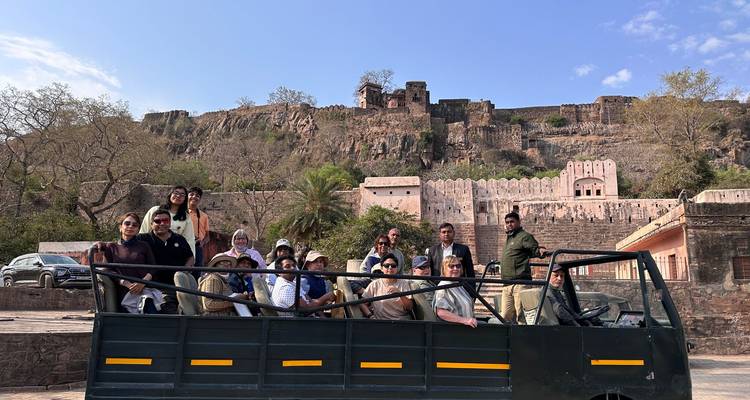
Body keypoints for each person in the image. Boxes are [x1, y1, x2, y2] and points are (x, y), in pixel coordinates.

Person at [95, 213, 158, 313]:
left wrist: (143, 283)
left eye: (134, 225)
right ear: (120, 227)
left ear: (138, 229)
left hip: (144, 288)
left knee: (149, 308)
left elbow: (153, 267)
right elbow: (108, 270)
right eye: (127, 223)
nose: (130, 227)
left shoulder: (144, 246)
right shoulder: (111, 247)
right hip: (124, 291)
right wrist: (126, 283)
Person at [136, 208, 195, 314]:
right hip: (155, 287)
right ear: (151, 224)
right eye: (158, 221)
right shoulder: (143, 239)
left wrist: (184, 271)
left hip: (178, 285)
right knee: (168, 309)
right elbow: (124, 244)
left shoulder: (179, 239)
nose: (162, 224)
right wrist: (102, 245)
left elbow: (190, 257)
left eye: (165, 220)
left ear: (170, 222)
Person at [500, 212, 546, 324]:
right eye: (507, 222)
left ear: (518, 222)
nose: (509, 224)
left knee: (522, 316)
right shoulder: (509, 238)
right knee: (504, 315)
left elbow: (534, 249)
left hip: (520, 283)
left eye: (512, 222)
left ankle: (523, 339)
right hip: (507, 284)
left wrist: (540, 252)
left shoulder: (524, 236)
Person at [140, 185, 196, 258]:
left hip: (174, 251)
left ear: (185, 199)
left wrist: (191, 258)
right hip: (152, 249)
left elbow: (189, 239)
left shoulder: (185, 217)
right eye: (176, 193)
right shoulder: (155, 210)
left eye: (182, 195)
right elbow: (144, 230)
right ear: (170, 194)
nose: (178, 196)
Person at [359, 253, 413, 320]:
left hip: (401, 322)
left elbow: (409, 307)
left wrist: (400, 294)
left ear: (397, 268)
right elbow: (362, 303)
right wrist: (370, 316)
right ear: (381, 268)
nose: (390, 268)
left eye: (393, 266)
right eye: (387, 266)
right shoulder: (375, 284)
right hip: (381, 323)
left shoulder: (404, 283)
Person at [433, 255, 477, 328]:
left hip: (468, 326)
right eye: (451, 266)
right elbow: (441, 312)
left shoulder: (458, 284)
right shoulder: (443, 287)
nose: (455, 268)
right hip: (455, 330)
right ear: (444, 269)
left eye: (458, 266)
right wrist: (464, 320)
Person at [187, 187, 210, 269]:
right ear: (187, 196)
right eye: (191, 194)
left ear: (200, 199)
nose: (194, 197)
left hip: (197, 246)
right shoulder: (181, 213)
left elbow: (207, 236)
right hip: (183, 245)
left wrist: (202, 243)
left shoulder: (204, 216)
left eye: (197, 196)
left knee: (197, 270)